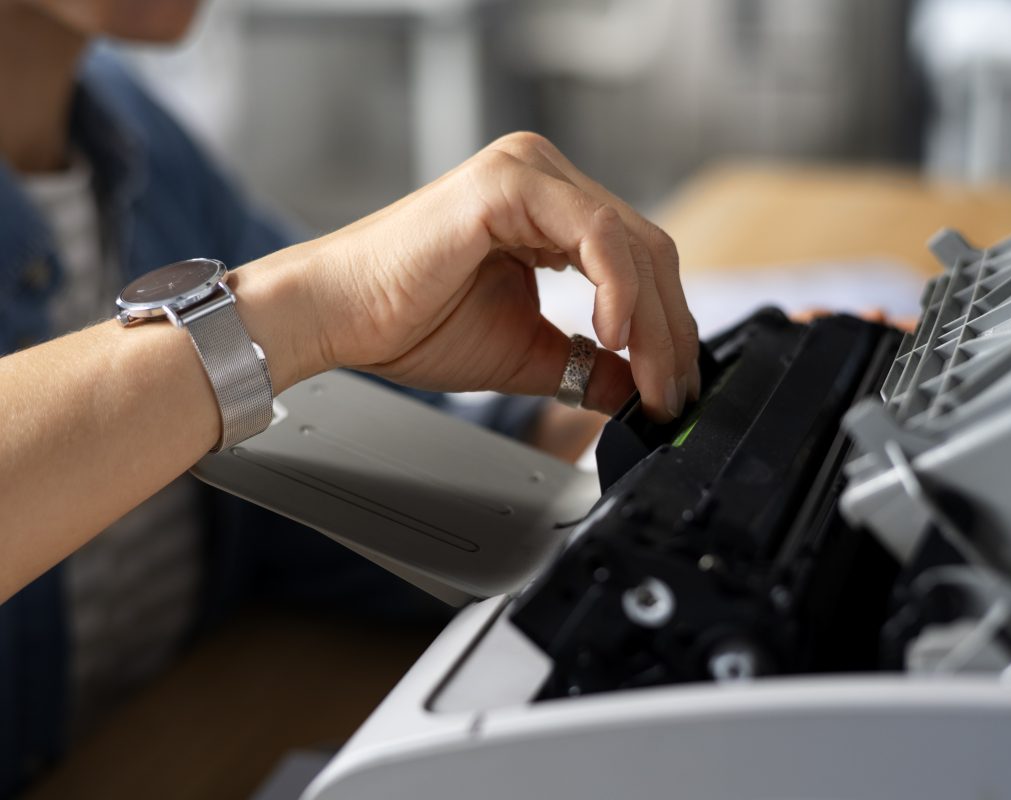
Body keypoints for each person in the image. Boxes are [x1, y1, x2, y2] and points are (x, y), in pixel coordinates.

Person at [0, 0, 700, 794]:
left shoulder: (133, 134)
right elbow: (300, 326)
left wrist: (640, 418)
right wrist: (306, 310)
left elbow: (317, 451)